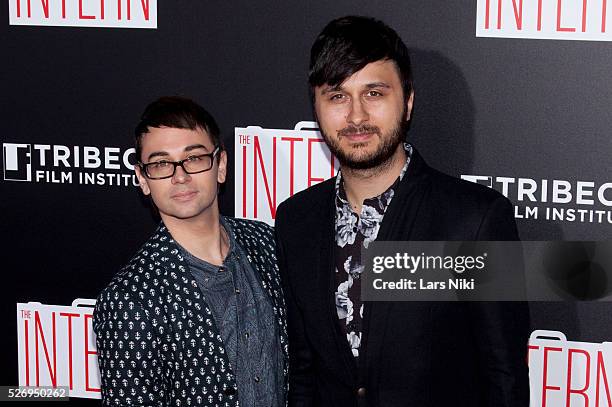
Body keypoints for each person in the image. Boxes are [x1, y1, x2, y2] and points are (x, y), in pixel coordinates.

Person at [274, 16, 529, 406]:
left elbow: (505, 378)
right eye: (337, 96)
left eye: (374, 93)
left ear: (407, 102)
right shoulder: (297, 219)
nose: (356, 116)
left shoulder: (475, 220)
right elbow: (303, 374)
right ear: (317, 107)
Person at [94, 96, 287, 406]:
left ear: (220, 165)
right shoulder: (127, 301)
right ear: (143, 179)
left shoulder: (268, 244)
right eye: (160, 164)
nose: (179, 175)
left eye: (194, 158)